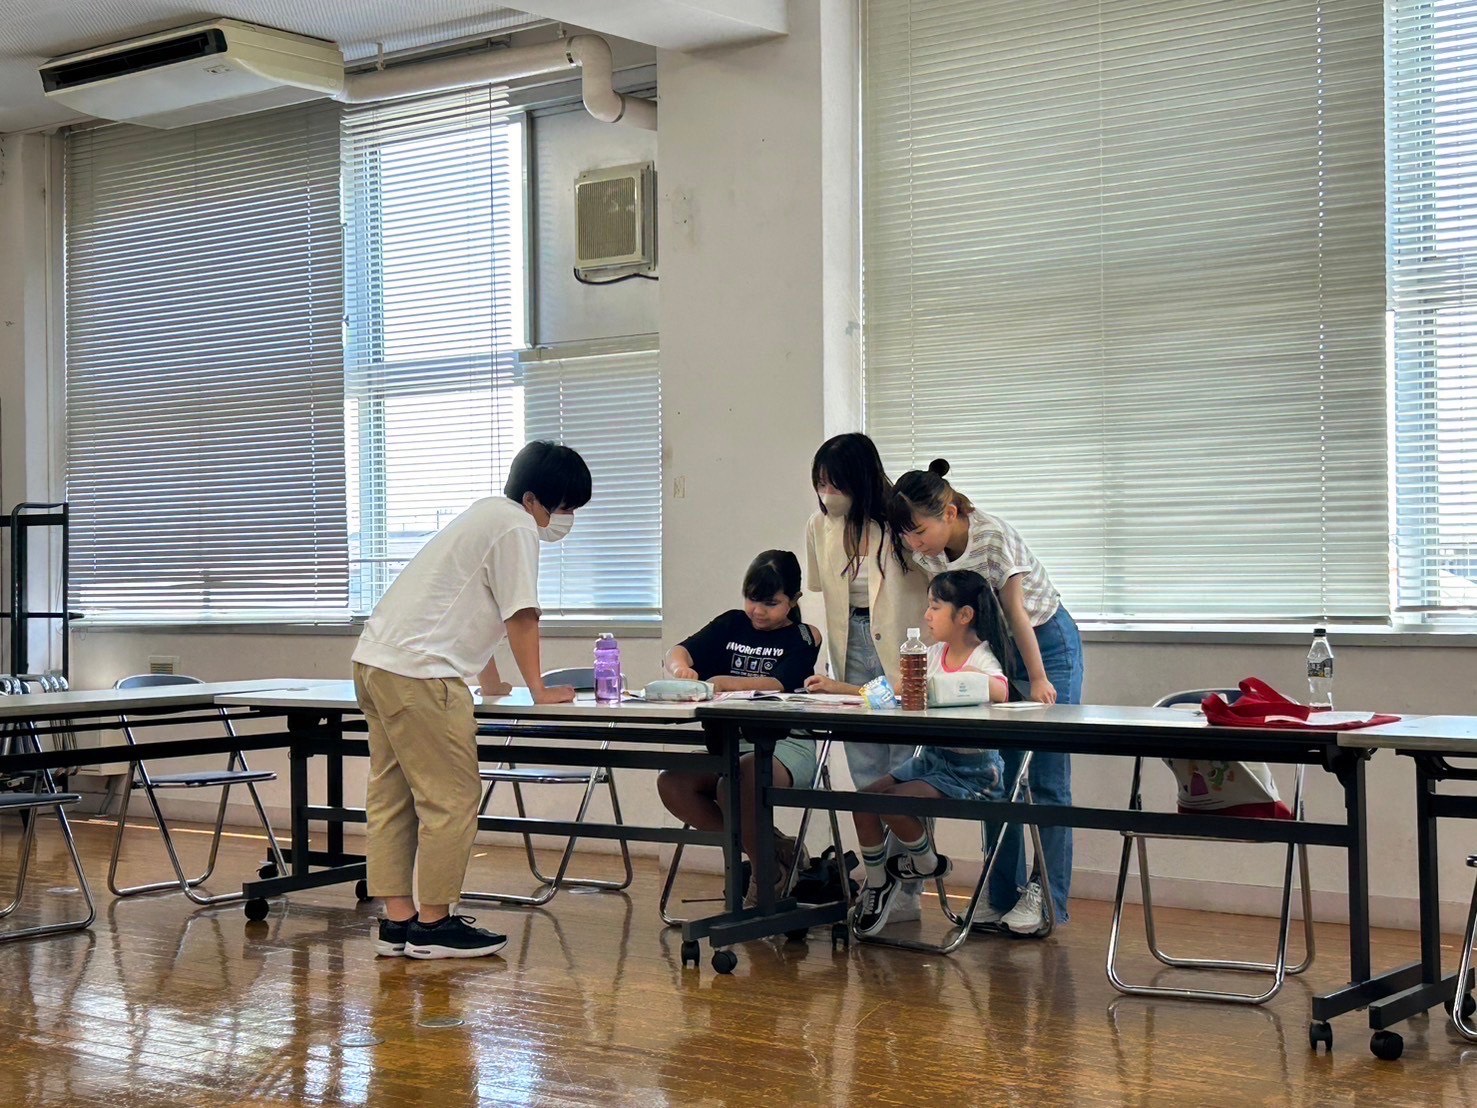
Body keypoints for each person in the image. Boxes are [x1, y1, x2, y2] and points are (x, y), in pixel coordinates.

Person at [352, 440, 589, 960]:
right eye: (562, 507)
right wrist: (539, 690)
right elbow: (520, 614)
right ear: (533, 499)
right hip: (421, 676)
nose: (564, 519)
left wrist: (494, 681)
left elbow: (466, 605)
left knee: (392, 798)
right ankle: (435, 926)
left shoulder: (484, 514)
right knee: (452, 799)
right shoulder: (517, 526)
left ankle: (398, 923)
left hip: (375, 662)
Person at [888, 458, 1084, 936]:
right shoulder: (929, 552)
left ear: (950, 513)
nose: (914, 544)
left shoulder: (991, 536)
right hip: (993, 651)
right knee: (1000, 776)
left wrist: (1038, 679)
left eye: (919, 531)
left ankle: (1047, 897)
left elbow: (1016, 613)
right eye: (906, 535)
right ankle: (1000, 896)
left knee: (1046, 777)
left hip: (1043, 641)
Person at [799, 433, 931, 920]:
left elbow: (933, 574)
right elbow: (821, 586)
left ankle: (909, 886)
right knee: (865, 763)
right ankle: (881, 880)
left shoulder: (899, 519)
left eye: (836, 482)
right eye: (820, 483)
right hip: (851, 642)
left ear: (860, 479)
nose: (827, 492)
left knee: (906, 763)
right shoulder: (819, 525)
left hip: (904, 643)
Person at [657, 550, 822, 906]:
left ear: (793, 600)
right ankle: (772, 847)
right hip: (730, 743)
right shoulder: (731, 624)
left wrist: (720, 682)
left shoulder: (804, 636)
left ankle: (766, 875)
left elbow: (778, 684)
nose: (757, 611)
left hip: (785, 746)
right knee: (673, 782)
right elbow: (678, 651)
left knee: (739, 778)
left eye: (770, 603)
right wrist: (680, 669)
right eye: (751, 599)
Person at [851, 570, 1011, 936]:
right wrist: (844, 689)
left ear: (964, 615)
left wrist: (944, 688)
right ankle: (879, 883)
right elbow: (899, 689)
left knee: (892, 803)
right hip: (932, 760)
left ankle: (925, 862)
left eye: (935, 607)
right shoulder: (934, 653)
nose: (927, 615)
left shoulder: (982, 656)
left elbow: (1001, 690)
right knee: (862, 801)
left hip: (972, 770)